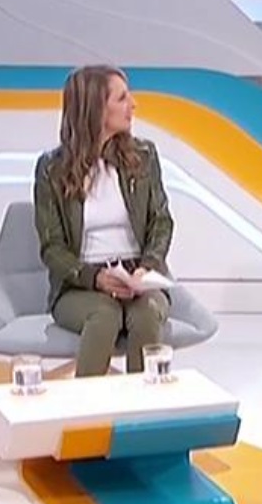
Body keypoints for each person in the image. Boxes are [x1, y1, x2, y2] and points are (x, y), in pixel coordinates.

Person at [32, 65, 175, 377]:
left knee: (146, 315)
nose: (133, 104)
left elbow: (161, 221)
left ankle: (143, 405)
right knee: (105, 316)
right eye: (122, 98)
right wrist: (95, 278)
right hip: (80, 284)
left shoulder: (144, 156)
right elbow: (52, 248)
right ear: (95, 108)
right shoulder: (51, 169)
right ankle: (88, 405)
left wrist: (146, 268)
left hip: (138, 276)